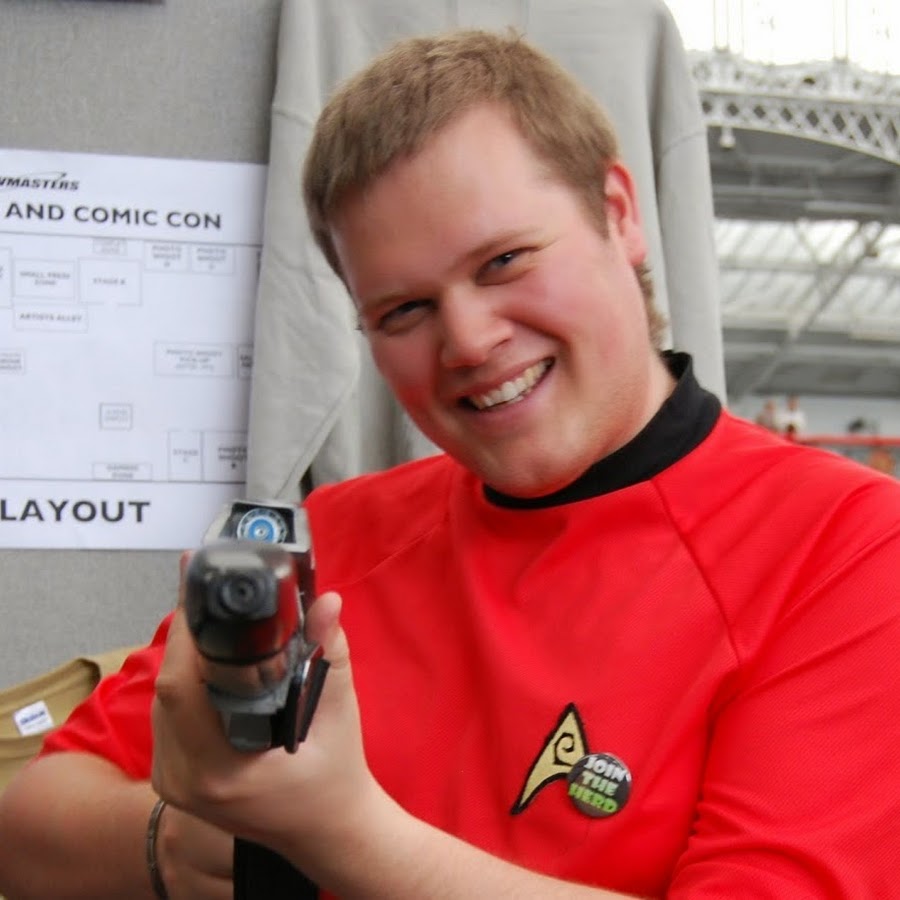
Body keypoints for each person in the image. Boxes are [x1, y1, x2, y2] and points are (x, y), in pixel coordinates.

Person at [2, 28, 900, 899]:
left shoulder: (845, 548)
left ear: (619, 213)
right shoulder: (335, 539)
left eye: (504, 261)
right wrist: (177, 846)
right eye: (403, 311)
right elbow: (30, 821)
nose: (468, 341)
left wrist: (341, 833)